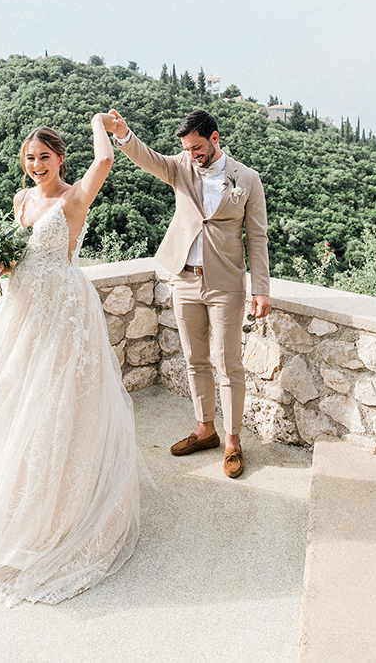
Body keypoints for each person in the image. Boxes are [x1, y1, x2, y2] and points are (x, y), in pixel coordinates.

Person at [0, 114, 153, 607]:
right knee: (13, 396)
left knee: (57, 398)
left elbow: (105, 158)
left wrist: (97, 122)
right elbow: (18, 255)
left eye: (45, 157)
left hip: (62, 309)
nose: (37, 164)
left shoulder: (73, 199)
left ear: (60, 159)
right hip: (20, 306)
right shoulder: (22, 200)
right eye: (30, 158)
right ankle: (7, 498)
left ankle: (63, 507)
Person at [107, 108, 271, 478]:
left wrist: (260, 288)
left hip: (226, 284)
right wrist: (123, 133)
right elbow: (147, 158)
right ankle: (205, 430)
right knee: (195, 360)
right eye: (187, 149)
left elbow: (257, 238)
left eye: (198, 148)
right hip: (184, 278)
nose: (192, 155)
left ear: (215, 139)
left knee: (228, 364)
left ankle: (232, 441)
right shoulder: (181, 166)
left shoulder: (247, 178)